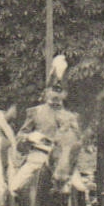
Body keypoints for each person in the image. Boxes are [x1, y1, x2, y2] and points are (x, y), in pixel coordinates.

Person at [11, 55, 84, 194]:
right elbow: (19, 139)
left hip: (63, 163)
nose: (56, 94)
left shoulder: (72, 117)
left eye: (60, 90)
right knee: (13, 188)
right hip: (37, 158)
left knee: (81, 189)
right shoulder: (35, 112)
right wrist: (29, 137)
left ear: (65, 94)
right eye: (52, 89)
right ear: (46, 91)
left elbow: (77, 144)